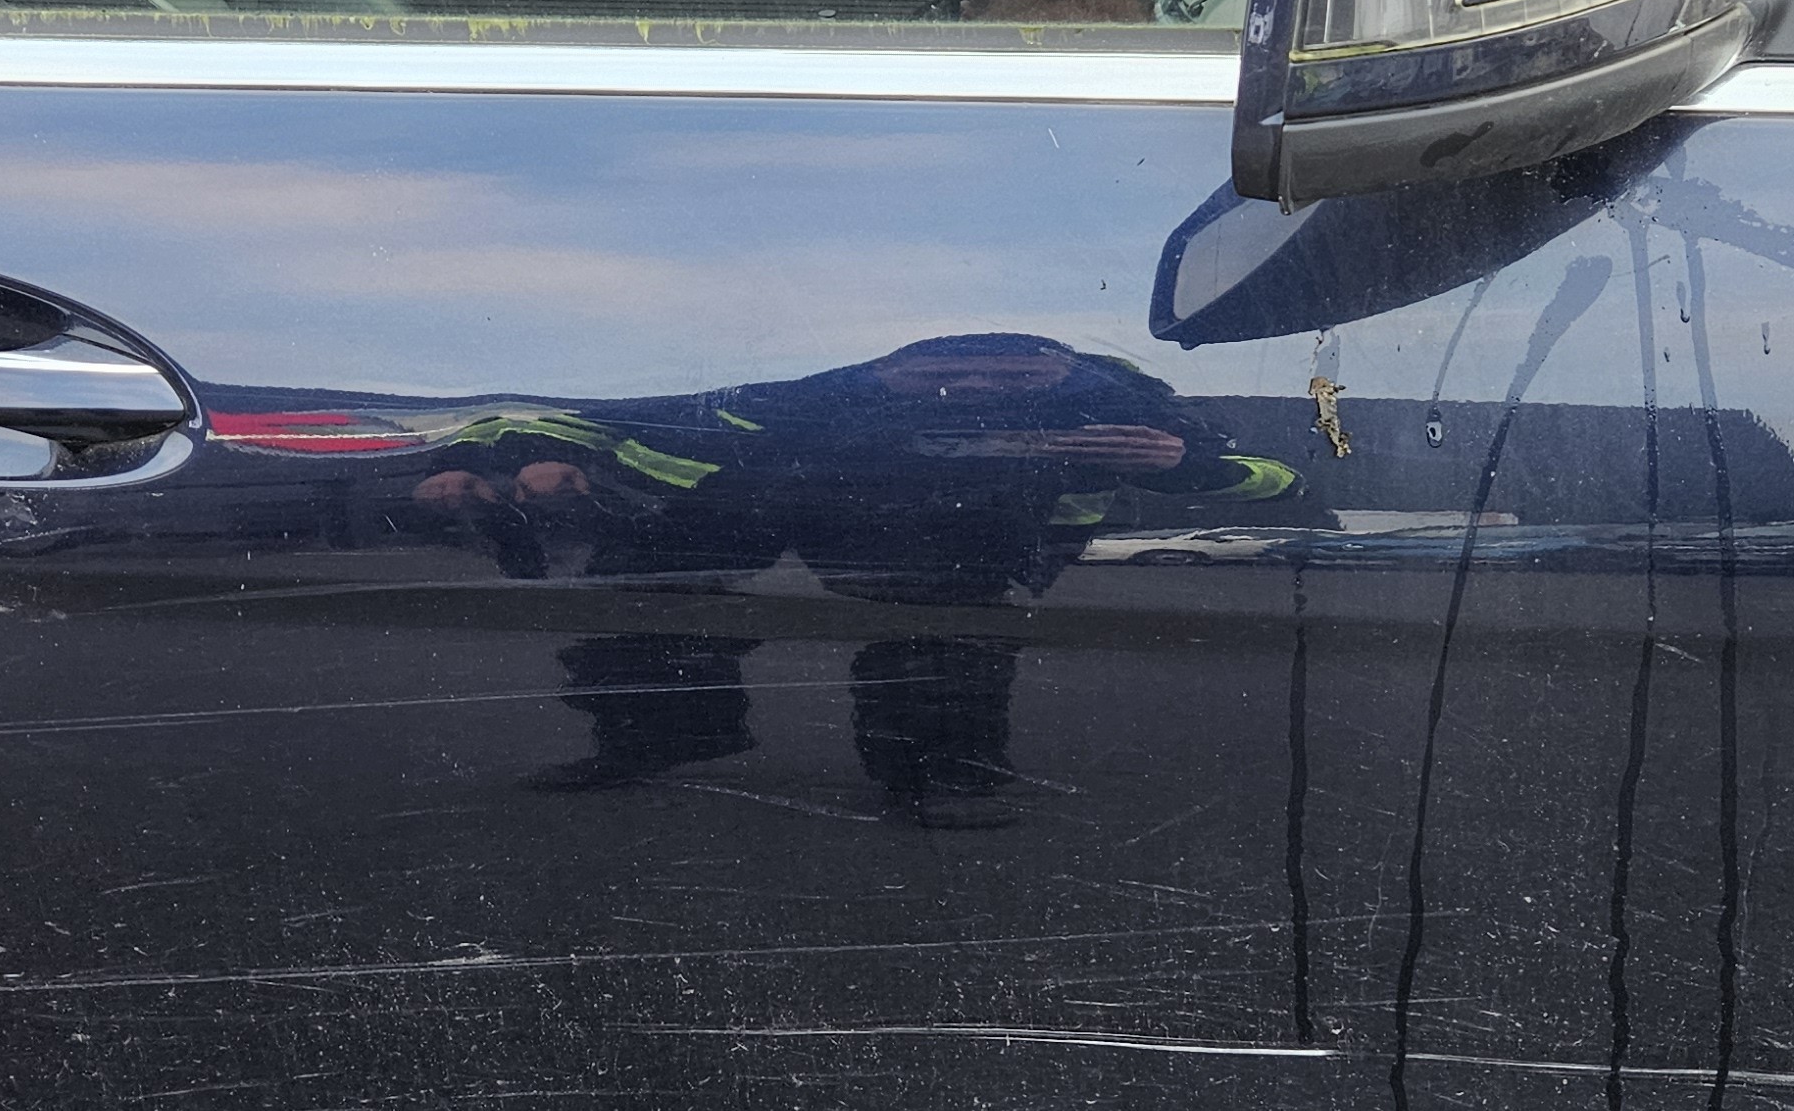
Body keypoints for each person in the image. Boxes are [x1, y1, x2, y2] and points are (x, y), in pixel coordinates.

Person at [412, 332, 1295, 825]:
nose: (972, 387)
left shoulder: (1127, 403)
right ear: (878, 371)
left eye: (1012, 373)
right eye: (935, 374)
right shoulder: (802, 398)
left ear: (1066, 370)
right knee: (649, 583)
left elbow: (1286, 480)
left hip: (971, 536)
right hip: (784, 502)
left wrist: (1177, 462)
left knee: (945, 618)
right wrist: (509, 461)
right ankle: (655, 735)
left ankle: (943, 774)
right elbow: (606, 419)